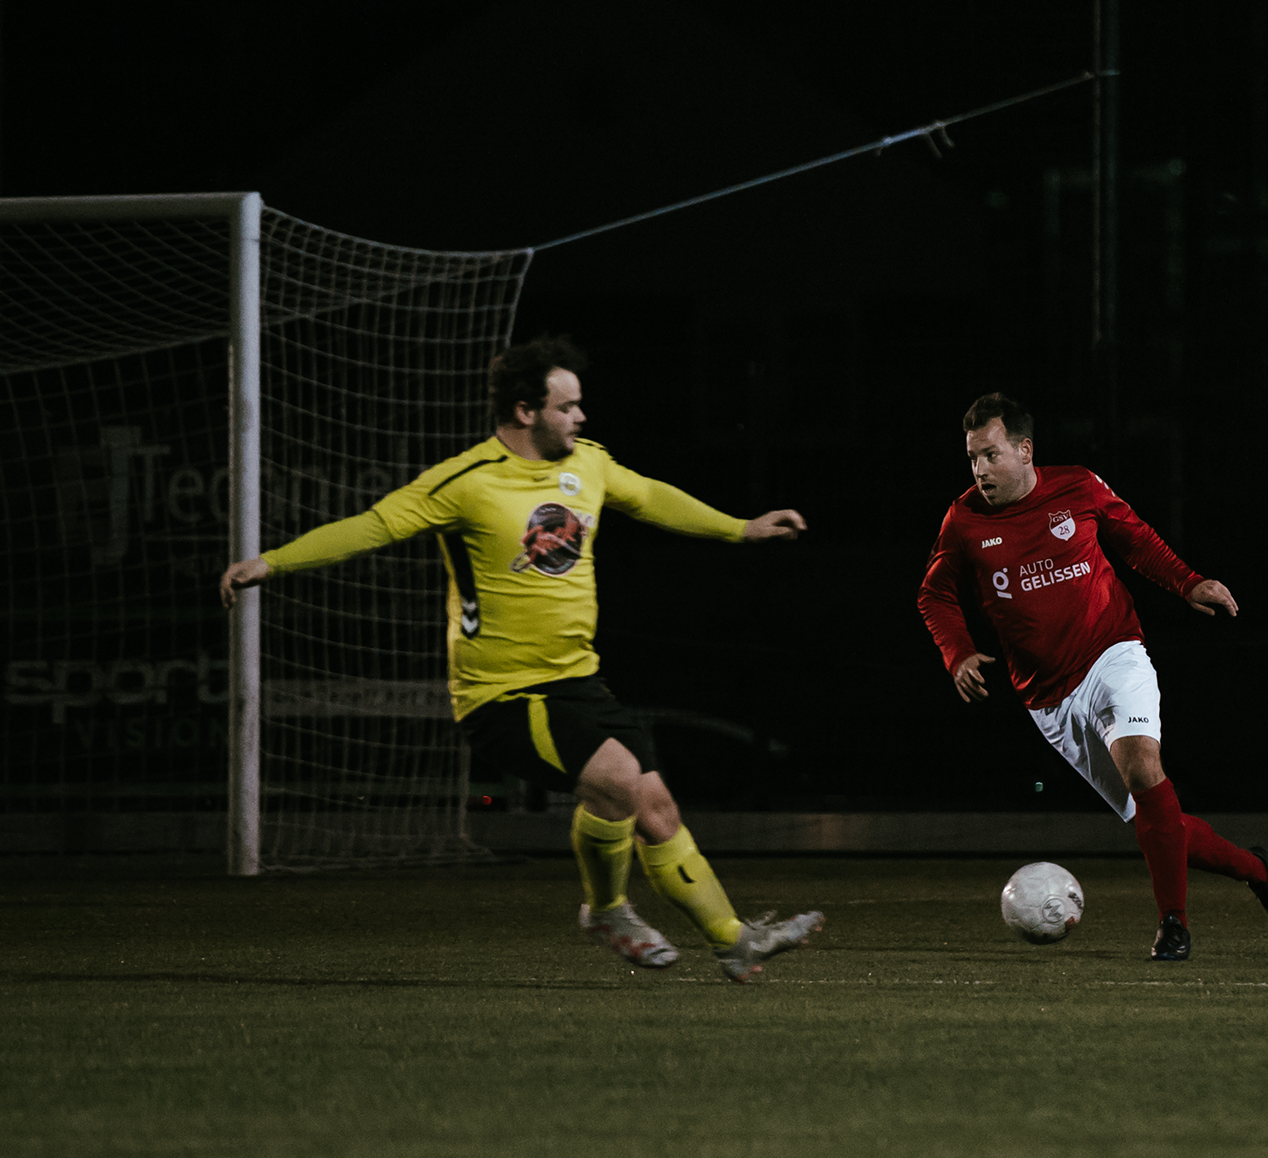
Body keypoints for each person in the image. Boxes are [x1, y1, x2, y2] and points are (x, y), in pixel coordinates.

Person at [220, 335, 823, 982]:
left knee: (655, 808)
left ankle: (732, 940)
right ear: (525, 411)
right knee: (619, 780)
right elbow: (373, 525)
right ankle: (608, 911)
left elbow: (650, 496)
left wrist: (740, 527)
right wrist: (271, 563)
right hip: (503, 696)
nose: (581, 417)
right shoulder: (465, 481)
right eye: (567, 407)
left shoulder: (588, 464)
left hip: (578, 682)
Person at [916, 392, 1268, 961]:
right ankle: (1256, 871)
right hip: (1049, 698)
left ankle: (1173, 924)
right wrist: (958, 654)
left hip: (1112, 652)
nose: (980, 470)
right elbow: (934, 594)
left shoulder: (1078, 487)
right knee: (1157, 818)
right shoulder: (964, 521)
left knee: (1144, 767)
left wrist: (1188, 582)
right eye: (972, 457)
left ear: (1025, 451)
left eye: (991, 455)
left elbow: (1135, 538)